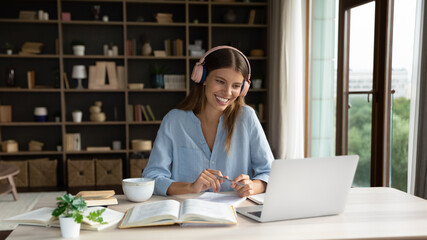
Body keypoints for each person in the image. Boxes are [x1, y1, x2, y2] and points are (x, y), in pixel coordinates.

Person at [143, 46, 274, 197]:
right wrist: (190, 187)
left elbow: (270, 172)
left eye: (236, 86)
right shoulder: (174, 121)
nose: (227, 92)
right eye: (220, 81)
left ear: (243, 88)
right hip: (187, 214)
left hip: (236, 214)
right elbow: (151, 177)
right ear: (203, 78)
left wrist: (253, 186)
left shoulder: (247, 118)